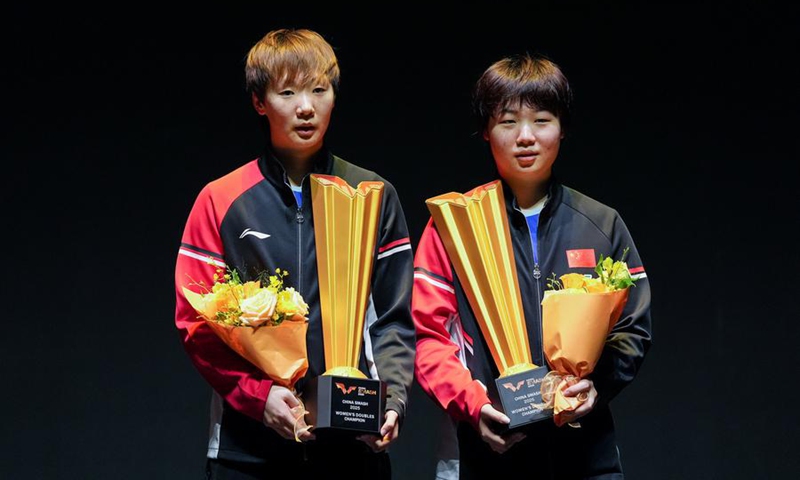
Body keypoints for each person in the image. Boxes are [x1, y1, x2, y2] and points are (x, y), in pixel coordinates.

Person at [174, 28, 415, 479]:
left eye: (318, 90)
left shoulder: (373, 195)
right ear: (259, 102)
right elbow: (196, 323)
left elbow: (393, 319)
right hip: (247, 450)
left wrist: (393, 401)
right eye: (288, 92)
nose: (306, 107)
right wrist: (257, 395)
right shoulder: (221, 199)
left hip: (353, 445)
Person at [412, 53, 652, 479]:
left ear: (562, 130)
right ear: (486, 131)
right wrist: (474, 404)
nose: (526, 137)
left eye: (541, 120)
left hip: (586, 456)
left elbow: (632, 328)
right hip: (488, 450)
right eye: (507, 122)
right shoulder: (453, 225)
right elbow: (427, 336)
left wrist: (599, 385)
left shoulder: (601, 224)